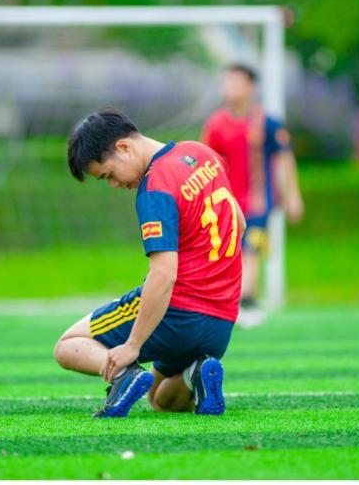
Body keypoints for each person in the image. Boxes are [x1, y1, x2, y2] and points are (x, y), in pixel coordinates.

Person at [56, 108, 245, 418]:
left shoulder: (155, 187)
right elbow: (238, 224)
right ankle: (195, 373)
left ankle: (122, 376)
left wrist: (132, 346)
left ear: (123, 147)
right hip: (222, 321)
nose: (115, 185)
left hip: (178, 315)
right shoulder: (201, 153)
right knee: (160, 399)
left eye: (108, 175)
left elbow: (164, 273)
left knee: (67, 345)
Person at [201, 64, 304, 328]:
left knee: (253, 250)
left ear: (250, 87)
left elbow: (284, 157)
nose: (230, 87)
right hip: (225, 202)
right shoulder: (216, 124)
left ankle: (247, 301)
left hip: (260, 203)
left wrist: (292, 195)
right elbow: (205, 162)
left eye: (236, 82)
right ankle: (224, 302)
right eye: (228, 82)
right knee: (226, 252)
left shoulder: (267, 122)